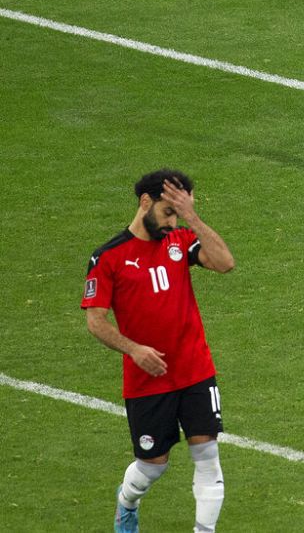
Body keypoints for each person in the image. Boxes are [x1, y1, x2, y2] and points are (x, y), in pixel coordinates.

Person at [81, 169, 235, 532]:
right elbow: (96, 321)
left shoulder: (180, 239)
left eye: (178, 214)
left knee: (207, 456)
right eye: (168, 212)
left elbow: (225, 263)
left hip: (195, 369)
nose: (171, 223)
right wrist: (133, 349)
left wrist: (192, 218)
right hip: (147, 380)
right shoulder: (108, 258)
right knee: (153, 465)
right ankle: (127, 501)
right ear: (145, 202)